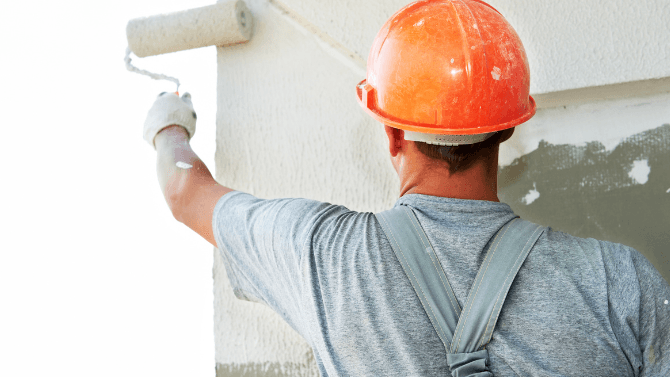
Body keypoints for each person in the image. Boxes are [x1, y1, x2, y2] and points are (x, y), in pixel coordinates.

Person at [142, 0, 669, 375]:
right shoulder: (619, 281)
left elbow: (184, 192)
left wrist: (170, 123)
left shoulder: (324, 256)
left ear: (393, 133)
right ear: (508, 127)